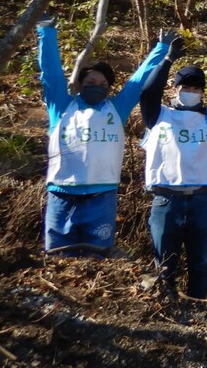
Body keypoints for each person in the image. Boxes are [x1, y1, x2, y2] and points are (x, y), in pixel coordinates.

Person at [37, 13, 171, 255]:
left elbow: (137, 81)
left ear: (109, 90)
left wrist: (161, 48)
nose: (97, 86)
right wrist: (47, 32)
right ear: (78, 84)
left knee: (97, 257)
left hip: (102, 195)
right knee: (58, 257)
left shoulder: (116, 109)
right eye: (91, 81)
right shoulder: (61, 106)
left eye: (103, 84)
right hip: (61, 193)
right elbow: (51, 73)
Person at [139, 36, 207, 298]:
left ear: (203, 92)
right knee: (164, 265)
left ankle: (198, 312)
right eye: (186, 86)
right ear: (175, 89)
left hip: (200, 201)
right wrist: (167, 59)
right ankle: (166, 310)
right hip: (165, 200)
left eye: (196, 88)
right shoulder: (158, 115)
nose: (191, 91)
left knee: (200, 265)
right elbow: (148, 91)